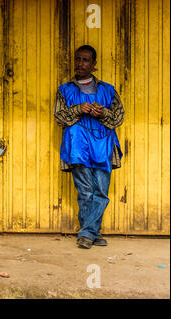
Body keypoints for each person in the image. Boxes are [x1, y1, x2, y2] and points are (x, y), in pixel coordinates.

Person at [54, 45, 125, 249]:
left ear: (94, 65)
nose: (80, 63)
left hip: (103, 144)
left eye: (85, 60)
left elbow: (118, 117)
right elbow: (59, 117)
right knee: (85, 191)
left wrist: (102, 113)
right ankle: (91, 233)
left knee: (101, 192)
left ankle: (89, 232)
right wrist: (78, 109)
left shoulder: (108, 90)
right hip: (78, 146)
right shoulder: (64, 90)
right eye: (78, 59)